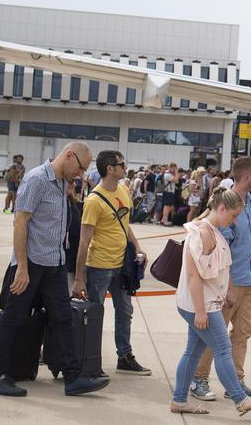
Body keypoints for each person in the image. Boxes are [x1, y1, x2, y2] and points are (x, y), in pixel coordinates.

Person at [0, 142, 109, 398]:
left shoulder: (63, 183)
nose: (81, 174)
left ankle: (73, 378)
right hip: (31, 263)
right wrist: (21, 267)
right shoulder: (36, 180)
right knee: (13, 318)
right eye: (81, 168)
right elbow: (20, 222)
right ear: (69, 155)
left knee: (63, 319)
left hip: (54, 263)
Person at [169, 188, 251, 416]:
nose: (234, 221)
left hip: (202, 303)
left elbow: (216, 271)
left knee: (193, 353)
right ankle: (240, 399)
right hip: (200, 304)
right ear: (221, 209)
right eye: (233, 216)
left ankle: (179, 400)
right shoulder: (204, 233)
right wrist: (201, 312)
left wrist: (227, 291)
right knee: (223, 349)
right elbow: (195, 276)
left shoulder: (210, 230)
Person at [190, 156, 251, 401]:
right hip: (230, 283)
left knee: (243, 332)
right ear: (246, 177)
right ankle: (199, 380)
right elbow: (224, 250)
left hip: (249, 276)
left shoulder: (250, 200)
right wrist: (229, 286)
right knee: (217, 336)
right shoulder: (227, 203)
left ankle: (236, 381)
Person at [71, 150, 151, 376]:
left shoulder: (124, 190)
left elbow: (124, 223)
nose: (124, 167)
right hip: (99, 266)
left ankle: (124, 356)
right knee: (94, 315)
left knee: (125, 310)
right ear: (110, 169)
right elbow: (84, 242)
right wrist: (79, 278)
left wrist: (136, 246)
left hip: (122, 265)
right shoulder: (94, 201)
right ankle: (90, 361)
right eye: (121, 164)